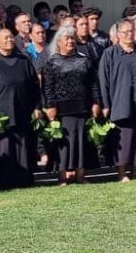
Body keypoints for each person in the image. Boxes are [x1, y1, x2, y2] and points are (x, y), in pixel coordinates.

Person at [0, 28, 40, 191]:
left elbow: (34, 86)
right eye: (5, 38)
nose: (10, 40)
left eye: (11, 37)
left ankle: (22, 180)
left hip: (22, 111)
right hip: (0, 113)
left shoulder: (24, 61)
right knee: (2, 146)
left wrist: (36, 107)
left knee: (22, 145)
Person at [99, 19, 136, 182]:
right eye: (125, 32)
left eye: (131, 31)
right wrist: (106, 104)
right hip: (120, 102)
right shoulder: (110, 53)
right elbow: (103, 81)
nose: (129, 35)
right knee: (123, 138)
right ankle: (122, 173)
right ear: (118, 35)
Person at [42, 26, 100, 186]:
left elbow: (93, 84)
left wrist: (96, 102)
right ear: (58, 41)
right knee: (64, 143)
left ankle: (81, 175)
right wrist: (50, 106)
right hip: (61, 110)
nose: (70, 41)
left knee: (81, 142)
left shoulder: (84, 59)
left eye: (72, 38)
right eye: (67, 38)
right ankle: (62, 177)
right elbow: (48, 87)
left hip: (82, 107)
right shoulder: (52, 61)